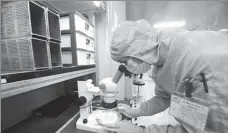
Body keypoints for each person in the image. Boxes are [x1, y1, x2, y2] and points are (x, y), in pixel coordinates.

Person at [97, 19, 228, 133]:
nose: (126, 67)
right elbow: (164, 97)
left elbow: (208, 130)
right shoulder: (161, 60)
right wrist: (138, 111)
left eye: (125, 62)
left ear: (138, 50)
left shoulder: (197, 61)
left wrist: (140, 131)